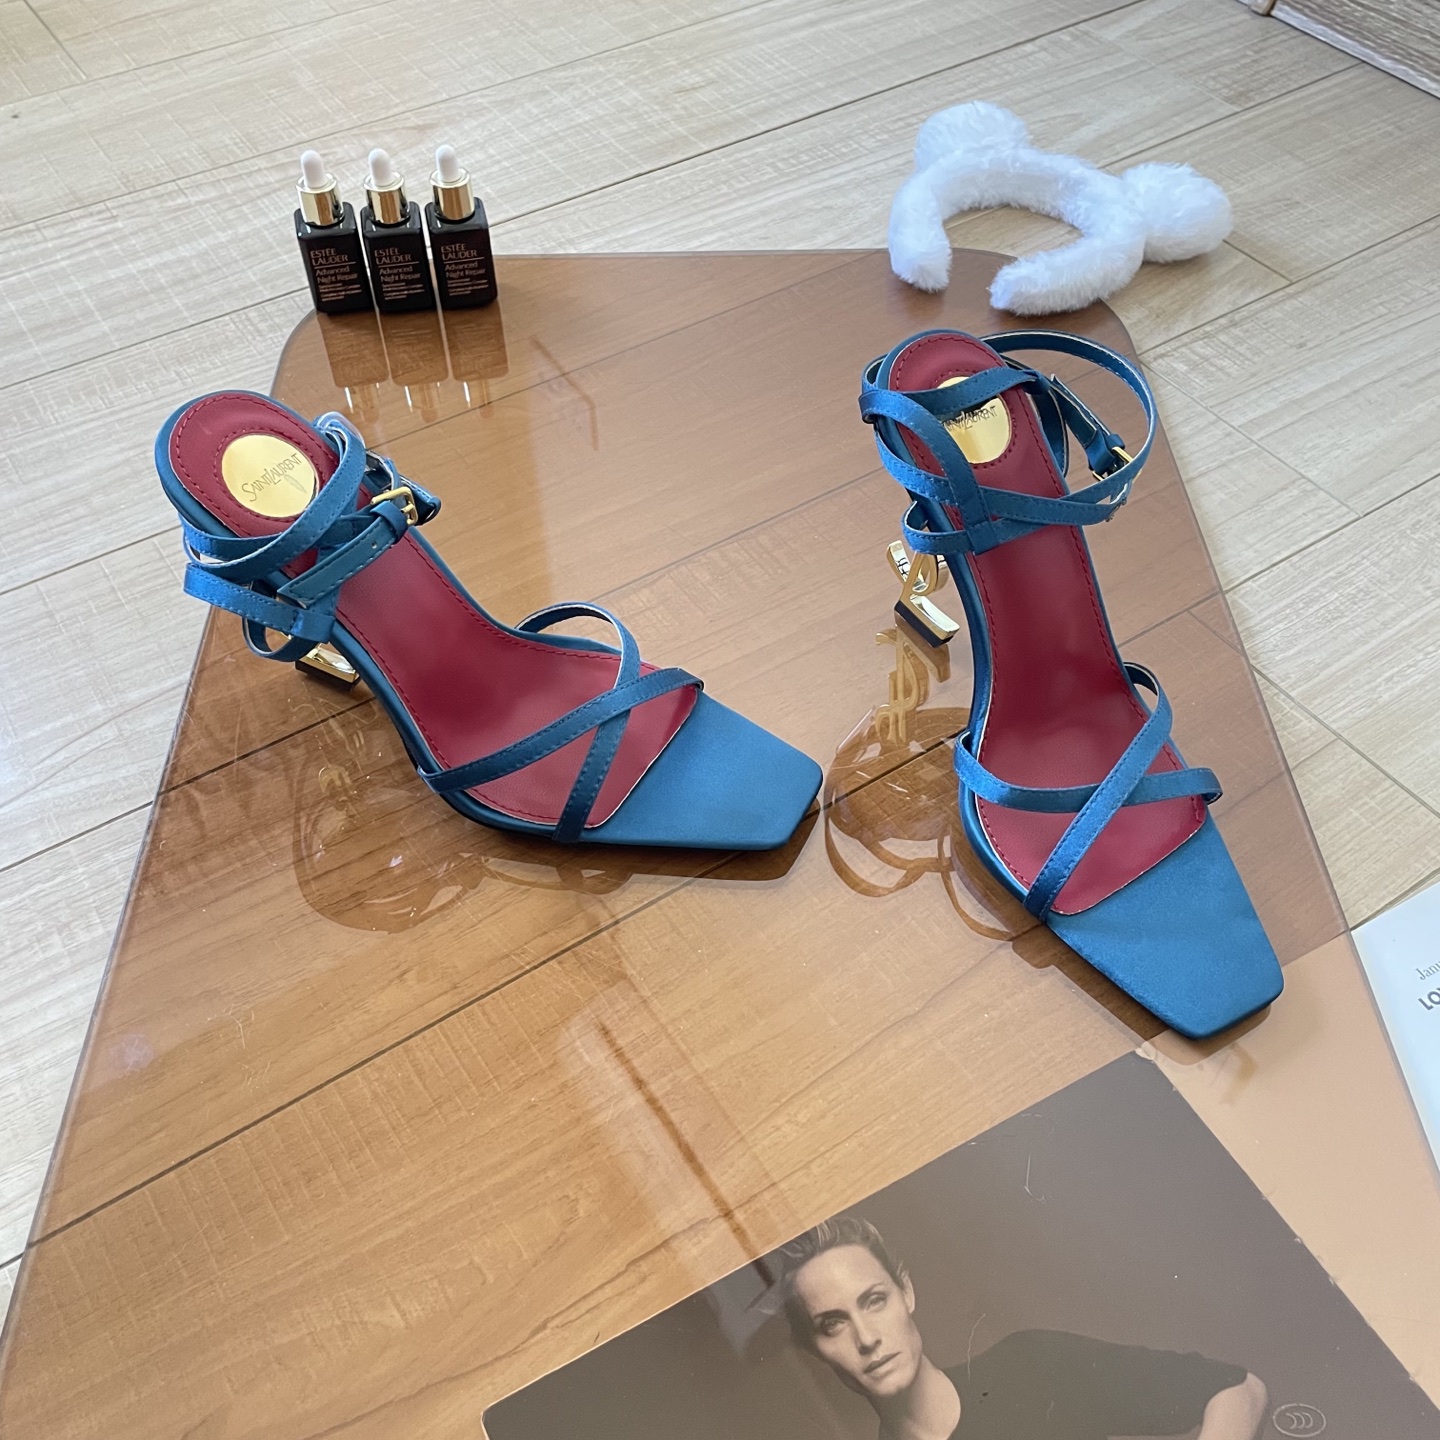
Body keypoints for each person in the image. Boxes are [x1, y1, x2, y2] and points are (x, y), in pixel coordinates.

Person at [776, 1217, 1269, 1440]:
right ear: (813, 1350)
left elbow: (1237, 1388)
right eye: (833, 1324)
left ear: (906, 1293)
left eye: (874, 1301)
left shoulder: (1032, 1367)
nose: (866, 1338)